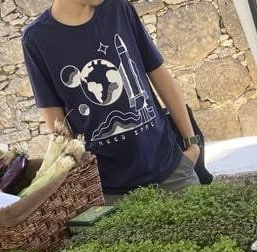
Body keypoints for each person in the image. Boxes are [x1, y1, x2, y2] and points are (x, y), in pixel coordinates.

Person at [21, 0, 204, 197]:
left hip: (171, 169)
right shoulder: (37, 38)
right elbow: (57, 124)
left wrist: (192, 144)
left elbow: (159, 75)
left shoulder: (118, 8)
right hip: (109, 191)